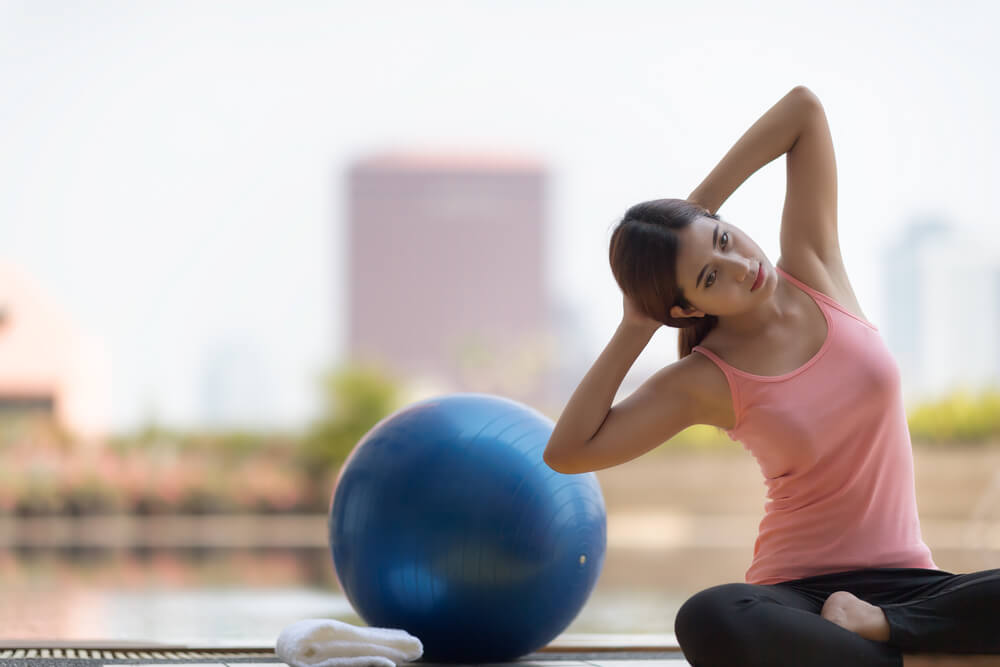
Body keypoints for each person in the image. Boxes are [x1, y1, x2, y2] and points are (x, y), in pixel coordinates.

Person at [542, 86, 1000, 667]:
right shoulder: (705, 378)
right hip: (798, 599)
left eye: (725, 239)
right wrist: (639, 322)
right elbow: (568, 452)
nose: (742, 267)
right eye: (711, 278)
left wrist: (693, 212)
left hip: (912, 585)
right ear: (685, 309)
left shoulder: (814, 266)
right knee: (710, 617)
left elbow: (803, 111)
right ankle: (928, 657)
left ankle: (888, 629)